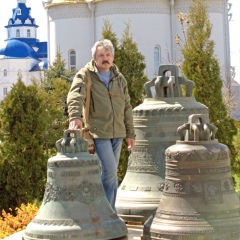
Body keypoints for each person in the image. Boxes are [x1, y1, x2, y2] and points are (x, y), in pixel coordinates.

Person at [67, 39, 135, 211]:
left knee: (109, 175)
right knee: (110, 172)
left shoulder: (119, 79)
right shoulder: (86, 75)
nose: (105, 58)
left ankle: (104, 211)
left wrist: (130, 133)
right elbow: (75, 96)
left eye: (108, 55)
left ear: (112, 57)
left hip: (118, 133)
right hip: (98, 132)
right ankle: (108, 213)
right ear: (94, 58)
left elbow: (127, 106)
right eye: (101, 55)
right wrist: (75, 116)